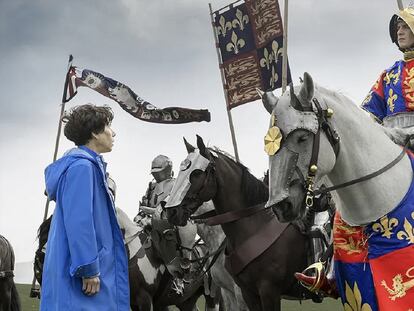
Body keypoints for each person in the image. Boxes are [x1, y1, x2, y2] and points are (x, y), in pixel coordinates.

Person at [295, 7, 414, 298]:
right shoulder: (387, 76)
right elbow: (367, 115)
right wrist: (376, 135)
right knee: (345, 202)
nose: (400, 31)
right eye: (397, 27)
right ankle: (330, 270)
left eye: (406, 26)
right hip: (389, 143)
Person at [40, 104, 129, 311]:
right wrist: (88, 268)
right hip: (83, 271)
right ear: (94, 133)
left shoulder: (87, 166)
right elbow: (79, 221)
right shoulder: (82, 167)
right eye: (108, 126)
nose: (113, 133)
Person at [134, 155, 197, 292]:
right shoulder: (151, 186)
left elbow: (170, 207)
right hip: (150, 222)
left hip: (170, 223)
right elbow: (144, 203)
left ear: (167, 169)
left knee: (172, 243)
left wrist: (149, 212)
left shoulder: (175, 184)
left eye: (158, 171)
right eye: (154, 172)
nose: (156, 175)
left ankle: (181, 275)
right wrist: (139, 218)